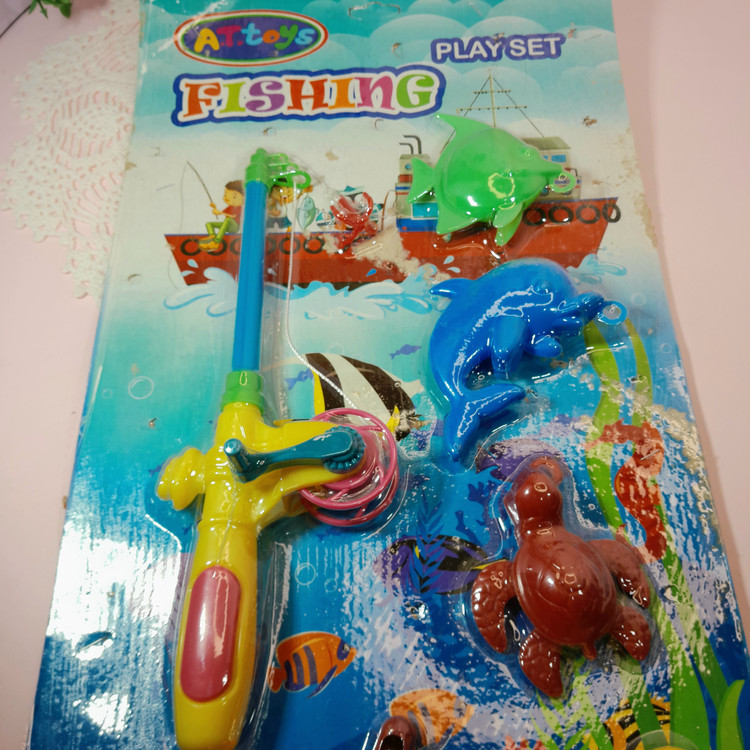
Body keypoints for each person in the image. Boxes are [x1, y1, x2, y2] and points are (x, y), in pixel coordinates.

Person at [200, 180, 244, 249]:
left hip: (235, 227)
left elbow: (233, 216)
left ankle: (216, 242)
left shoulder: (239, 208)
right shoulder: (229, 207)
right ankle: (212, 236)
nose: (226, 198)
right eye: (225, 195)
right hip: (227, 226)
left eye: (234, 197)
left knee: (228, 219)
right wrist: (214, 208)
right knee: (209, 224)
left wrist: (220, 213)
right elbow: (220, 213)